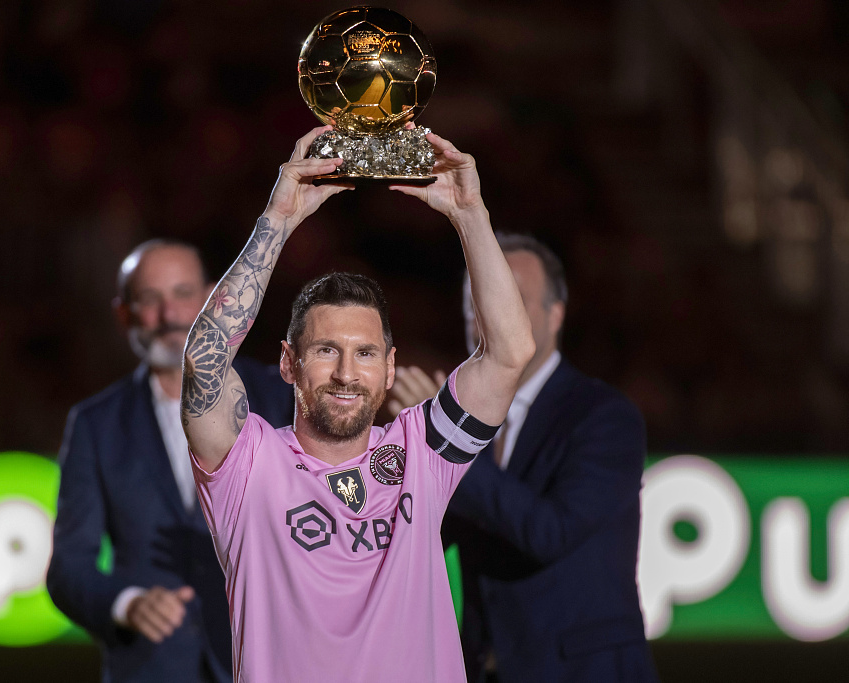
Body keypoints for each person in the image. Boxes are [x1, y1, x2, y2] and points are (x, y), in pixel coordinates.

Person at [179, 126, 536, 683]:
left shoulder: (424, 449)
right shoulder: (248, 465)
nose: (347, 373)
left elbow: (511, 352)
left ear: (390, 367)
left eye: (365, 353)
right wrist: (279, 220)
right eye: (326, 350)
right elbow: (204, 364)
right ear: (289, 363)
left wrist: (470, 215)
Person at [388, 234, 659, 682]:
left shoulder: (604, 416)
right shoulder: (459, 413)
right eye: (477, 299)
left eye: (509, 297)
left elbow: (549, 532)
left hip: (585, 672)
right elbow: (429, 537)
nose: (488, 312)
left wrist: (450, 437)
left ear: (556, 315)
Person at [46, 239, 293, 683]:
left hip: (268, 661)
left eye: (182, 294)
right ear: (124, 313)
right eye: (149, 299)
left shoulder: (280, 397)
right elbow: (68, 568)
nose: (170, 315)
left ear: (215, 298)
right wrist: (127, 603)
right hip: (150, 667)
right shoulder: (94, 424)